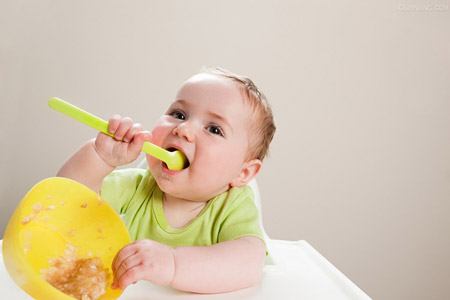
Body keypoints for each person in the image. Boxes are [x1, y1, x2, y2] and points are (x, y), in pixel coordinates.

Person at [57, 67, 276, 293]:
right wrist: (100, 157)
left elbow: (249, 263)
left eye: (214, 129)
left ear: (243, 173)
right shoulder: (138, 187)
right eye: (179, 115)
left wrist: (173, 264)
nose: (184, 129)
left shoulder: (233, 206)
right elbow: (66, 201)